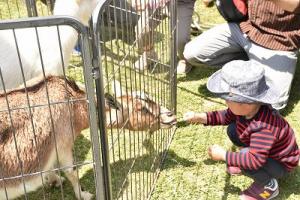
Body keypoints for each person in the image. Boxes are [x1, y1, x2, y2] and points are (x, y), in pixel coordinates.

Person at [183, 60, 300, 200]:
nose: (225, 102)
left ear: (245, 103)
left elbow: (254, 161)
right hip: (265, 152)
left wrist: (223, 155)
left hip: (280, 164)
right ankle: (245, 158)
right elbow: (225, 116)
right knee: (233, 130)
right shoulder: (247, 110)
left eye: (227, 99)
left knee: (248, 161)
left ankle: (269, 186)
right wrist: (200, 117)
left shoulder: (263, 127)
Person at [183, 0, 300, 109]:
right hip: (246, 28)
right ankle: (249, 61)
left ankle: (260, 65)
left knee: (272, 105)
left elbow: (294, 5)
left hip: (279, 42)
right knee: (192, 53)